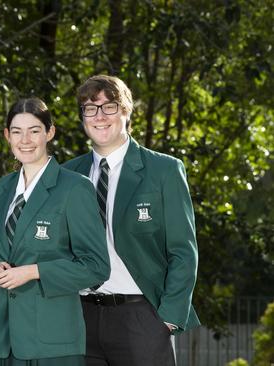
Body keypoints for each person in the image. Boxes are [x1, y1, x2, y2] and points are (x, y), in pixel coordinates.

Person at [63, 75, 200, 366]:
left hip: (141, 318)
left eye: (109, 107)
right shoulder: (67, 175)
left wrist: (168, 319)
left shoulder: (163, 170)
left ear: (126, 111)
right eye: (90, 108)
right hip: (79, 317)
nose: (99, 116)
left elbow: (183, 251)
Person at [0, 98, 110, 366]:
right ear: (7, 136)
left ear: (49, 132)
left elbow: (97, 266)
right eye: (17, 131)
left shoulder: (74, 188)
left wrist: (34, 271)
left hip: (53, 345)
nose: (25, 139)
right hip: (5, 342)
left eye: (34, 130)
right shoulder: (0, 190)